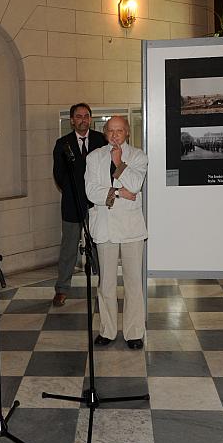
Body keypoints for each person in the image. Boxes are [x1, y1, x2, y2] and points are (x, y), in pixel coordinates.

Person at [84, 116, 148, 349]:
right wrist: (119, 193)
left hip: (131, 229)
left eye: (119, 130)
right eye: (111, 130)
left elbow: (135, 184)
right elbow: (91, 191)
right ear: (105, 133)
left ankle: (133, 332)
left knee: (133, 283)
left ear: (127, 133)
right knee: (107, 283)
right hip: (105, 227)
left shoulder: (139, 156)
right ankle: (107, 330)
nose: (115, 135)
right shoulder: (93, 157)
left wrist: (120, 163)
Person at [51, 103, 107, 307]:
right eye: (79, 116)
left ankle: (105, 287)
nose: (83, 119)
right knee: (68, 248)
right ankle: (62, 288)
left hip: (97, 204)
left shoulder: (101, 140)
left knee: (101, 245)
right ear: (72, 120)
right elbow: (59, 175)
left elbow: (109, 169)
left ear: (90, 119)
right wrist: (76, 191)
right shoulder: (62, 143)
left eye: (86, 116)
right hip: (72, 203)